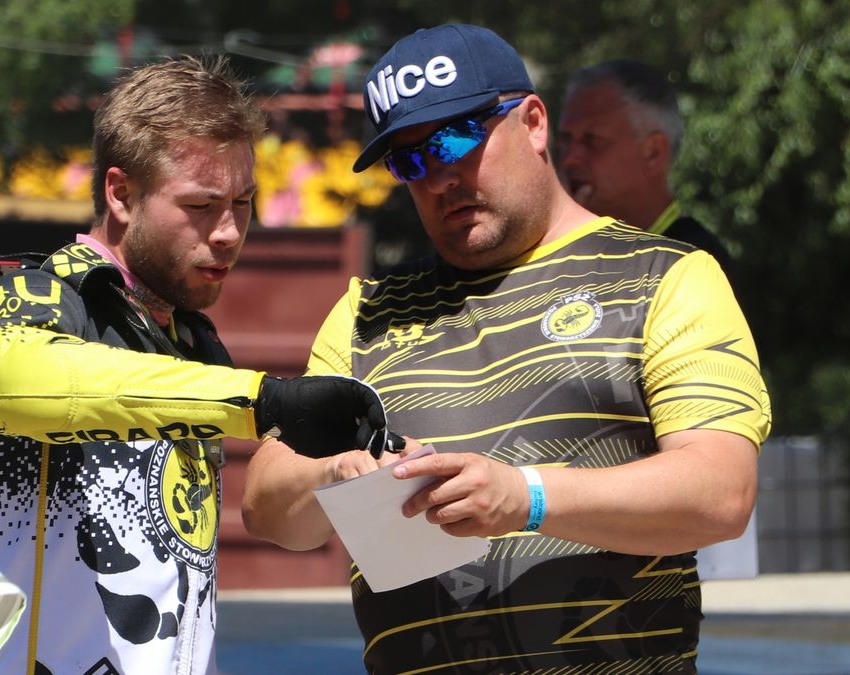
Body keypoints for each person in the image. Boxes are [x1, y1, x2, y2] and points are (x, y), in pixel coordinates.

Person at [241, 24, 771, 674]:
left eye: (456, 139)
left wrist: (526, 497)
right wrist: (334, 475)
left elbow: (721, 493)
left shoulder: (666, 275)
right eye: (410, 162)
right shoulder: (365, 312)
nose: (440, 177)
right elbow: (266, 507)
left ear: (534, 123)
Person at [0, 56, 397, 675]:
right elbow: (10, 381)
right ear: (121, 194)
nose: (229, 232)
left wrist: (359, 472)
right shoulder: (34, 298)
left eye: (243, 202)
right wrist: (263, 402)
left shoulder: (188, 339)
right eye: (201, 205)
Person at [557, 59, 733, 272]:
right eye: (565, 139)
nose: (569, 158)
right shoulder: (563, 254)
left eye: (592, 140)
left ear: (653, 153)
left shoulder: (695, 265)